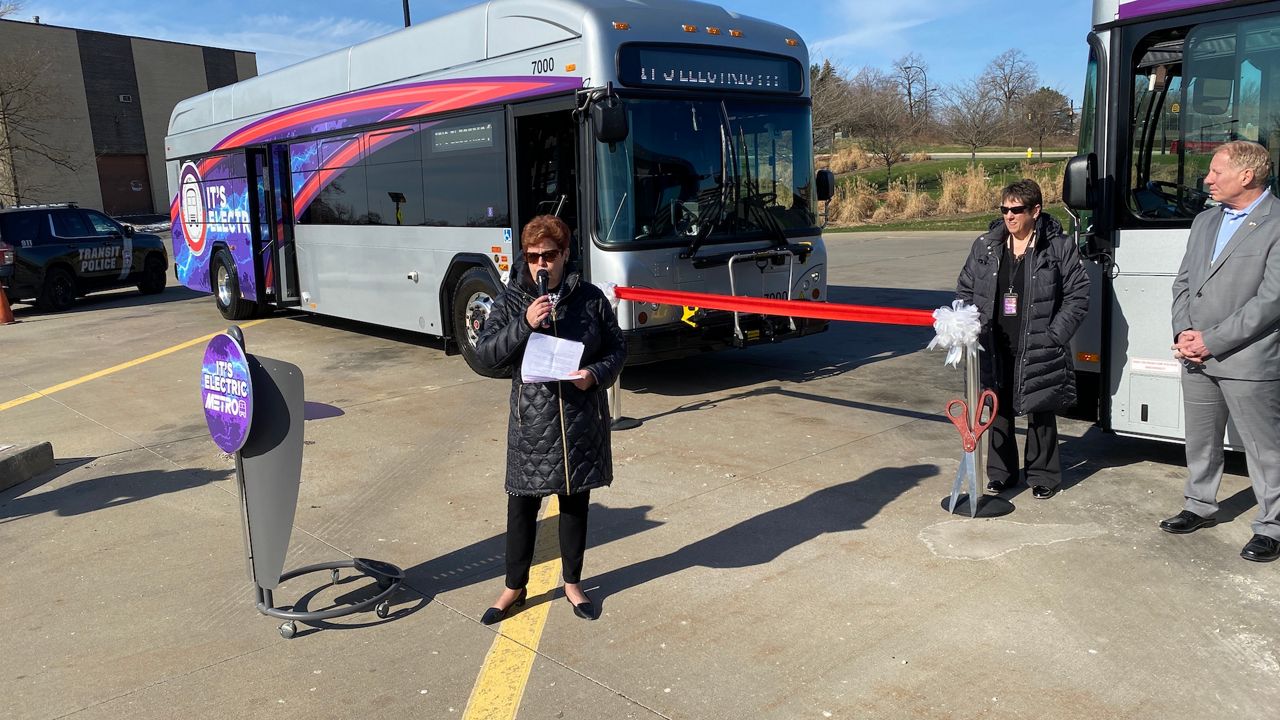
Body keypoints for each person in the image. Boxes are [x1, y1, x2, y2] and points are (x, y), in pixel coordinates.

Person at [473, 215, 627, 622]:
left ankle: (573, 584)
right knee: (522, 507)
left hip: (579, 420)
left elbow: (617, 348)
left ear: (565, 254)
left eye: (550, 255)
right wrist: (524, 324)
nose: (542, 264)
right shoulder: (510, 302)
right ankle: (513, 587)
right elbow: (485, 355)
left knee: (575, 503)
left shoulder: (590, 299)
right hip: (532, 424)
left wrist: (595, 375)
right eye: (533, 256)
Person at [1161, 140, 1280, 563]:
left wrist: (1213, 340)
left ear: (1246, 176)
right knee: (1201, 439)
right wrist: (1184, 333)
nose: (1206, 179)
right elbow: (1183, 283)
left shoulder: (1276, 222)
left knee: (1263, 448)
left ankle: (1272, 526)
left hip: (1246, 358)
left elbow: (1270, 301)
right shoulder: (1205, 221)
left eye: (1215, 172)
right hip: (1195, 355)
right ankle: (1199, 505)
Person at [956, 179, 1090, 499]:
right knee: (997, 407)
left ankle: (1043, 474)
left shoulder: (1057, 247)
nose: (1009, 216)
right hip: (995, 342)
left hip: (1039, 342)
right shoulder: (986, 246)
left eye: (1016, 210)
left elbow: (1078, 295)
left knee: (1040, 408)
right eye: (1004, 209)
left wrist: (1055, 335)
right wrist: (967, 327)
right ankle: (1001, 473)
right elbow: (964, 289)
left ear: (1036, 210)